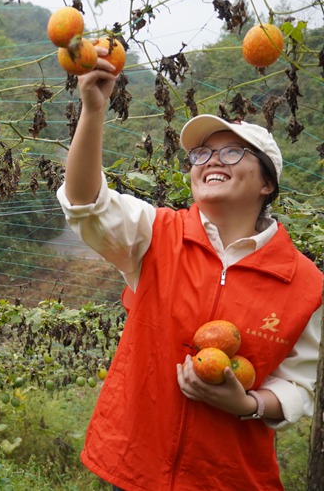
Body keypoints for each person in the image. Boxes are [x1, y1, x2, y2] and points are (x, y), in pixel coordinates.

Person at [57, 52, 323, 490]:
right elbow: (87, 203)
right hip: (134, 468)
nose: (211, 161)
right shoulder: (156, 234)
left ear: (267, 183)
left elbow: (298, 385)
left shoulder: (305, 282)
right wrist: (93, 110)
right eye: (202, 153)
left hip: (228, 477)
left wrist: (248, 403)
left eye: (232, 152)